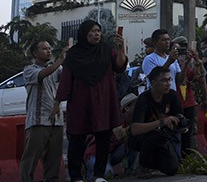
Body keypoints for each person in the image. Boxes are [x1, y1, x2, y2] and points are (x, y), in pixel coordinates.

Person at [55, 19, 128, 182]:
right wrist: (57, 102)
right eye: (93, 31)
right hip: (81, 102)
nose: (97, 34)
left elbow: (120, 66)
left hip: (103, 100)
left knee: (103, 137)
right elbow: (66, 79)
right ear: (84, 33)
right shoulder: (74, 53)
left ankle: (99, 175)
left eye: (98, 31)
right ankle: (75, 176)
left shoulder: (107, 49)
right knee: (77, 138)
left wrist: (121, 48)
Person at [20, 40, 65, 182]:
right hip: (38, 120)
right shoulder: (29, 69)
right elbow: (42, 74)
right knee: (30, 158)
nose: (49, 51)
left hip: (56, 120)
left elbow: (67, 77)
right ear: (35, 53)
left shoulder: (57, 69)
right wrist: (59, 61)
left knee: (53, 159)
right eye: (44, 49)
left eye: (49, 48)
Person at [129, 67, 183, 176]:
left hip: (163, 137)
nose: (168, 83)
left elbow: (179, 117)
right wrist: (161, 122)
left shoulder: (172, 95)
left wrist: (177, 124)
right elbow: (134, 129)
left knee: (172, 169)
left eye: (169, 80)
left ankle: (154, 163)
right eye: (164, 80)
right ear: (153, 83)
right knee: (153, 135)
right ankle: (142, 165)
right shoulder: (143, 99)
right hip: (141, 138)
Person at [83, 93, 139, 180]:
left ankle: (130, 170)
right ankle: (90, 175)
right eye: (137, 106)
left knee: (135, 141)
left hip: (111, 153)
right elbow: (120, 134)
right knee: (107, 174)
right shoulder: (117, 119)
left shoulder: (130, 122)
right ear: (127, 108)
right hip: (95, 154)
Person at [172, 36, 207, 155]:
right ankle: (181, 158)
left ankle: (188, 158)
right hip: (176, 102)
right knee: (179, 133)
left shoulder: (193, 61)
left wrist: (197, 60)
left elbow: (201, 79)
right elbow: (180, 80)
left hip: (189, 102)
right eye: (178, 48)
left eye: (183, 48)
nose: (181, 51)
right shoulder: (170, 62)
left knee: (189, 132)